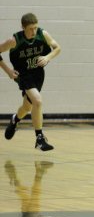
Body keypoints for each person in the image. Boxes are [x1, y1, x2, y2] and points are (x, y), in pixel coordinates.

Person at [0, 13, 61, 151]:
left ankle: (15, 120)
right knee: (38, 101)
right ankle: (39, 138)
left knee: (28, 107)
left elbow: (57, 48)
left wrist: (48, 57)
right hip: (23, 75)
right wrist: (8, 71)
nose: (33, 31)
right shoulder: (15, 40)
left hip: (38, 74)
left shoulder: (42, 34)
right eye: (30, 29)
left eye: (35, 28)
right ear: (23, 27)